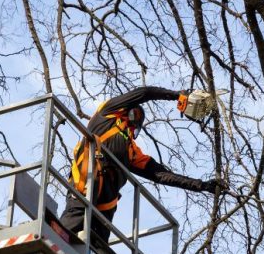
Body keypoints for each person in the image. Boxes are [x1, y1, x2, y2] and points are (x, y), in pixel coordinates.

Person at [60, 86, 223, 243]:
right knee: (66, 230)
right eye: (134, 113)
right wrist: (177, 95)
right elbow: (144, 92)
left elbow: (161, 175)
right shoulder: (107, 114)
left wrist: (202, 185)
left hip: (104, 208)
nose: (134, 120)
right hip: (84, 187)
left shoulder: (131, 151)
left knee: (98, 249)